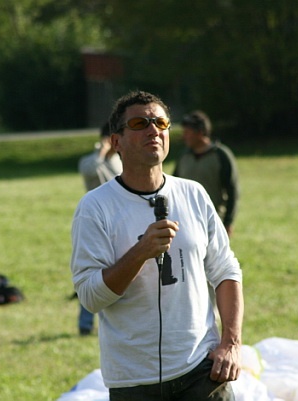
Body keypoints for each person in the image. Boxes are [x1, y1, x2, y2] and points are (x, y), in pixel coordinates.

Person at [70, 90, 244, 400]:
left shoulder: (194, 194)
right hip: (135, 382)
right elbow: (90, 297)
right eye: (140, 123)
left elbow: (226, 270)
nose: (153, 130)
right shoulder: (95, 207)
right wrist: (140, 252)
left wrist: (231, 344)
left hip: (202, 372)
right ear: (116, 141)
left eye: (161, 123)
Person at [76, 122, 122, 335]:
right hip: (96, 225)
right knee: (91, 276)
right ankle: (85, 324)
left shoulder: (120, 162)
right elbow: (90, 170)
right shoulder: (90, 160)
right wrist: (101, 152)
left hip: (119, 224)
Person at [173, 110, 239, 237]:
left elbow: (232, 190)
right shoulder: (183, 157)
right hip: (186, 222)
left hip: (214, 221)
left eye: (187, 132)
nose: (184, 136)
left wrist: (228, 222)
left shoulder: (221, 155)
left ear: (200, 132)